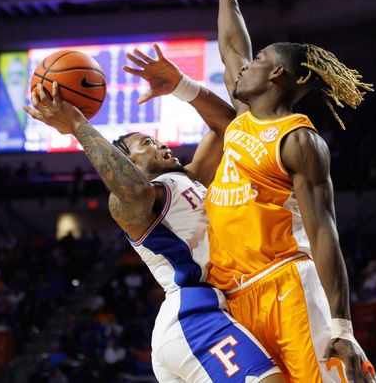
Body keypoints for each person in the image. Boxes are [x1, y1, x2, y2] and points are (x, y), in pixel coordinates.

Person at [24, 77, 285, 383]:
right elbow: (135, 190)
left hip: (216, 309)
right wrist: (79, 126)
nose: (160, 143)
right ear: (127, 161)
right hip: (192, 313)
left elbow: (227, 124)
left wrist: (180, 85)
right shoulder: (135, 203)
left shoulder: (190, 176)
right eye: (146, 143)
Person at [205, 0, 376, 382]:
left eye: (258, 60)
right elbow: (231, 46)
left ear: (276, 73)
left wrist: (343, 327)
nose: (245, 65)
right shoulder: (243, 114)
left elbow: (324, 232)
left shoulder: (299, 141)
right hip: (238, 294)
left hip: (290, 286)